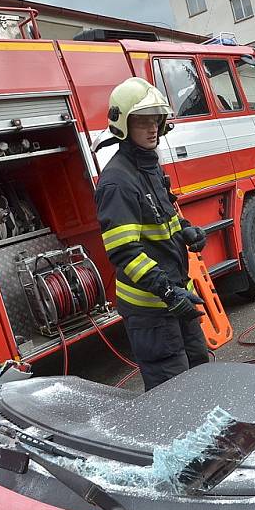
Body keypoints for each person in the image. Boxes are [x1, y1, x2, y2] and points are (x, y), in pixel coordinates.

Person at [95, 77, 209, 391]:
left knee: (200, 369)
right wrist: (168, 293)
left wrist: (186, 231)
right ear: (123, 125)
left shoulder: (150, 167)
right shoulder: (117, 182)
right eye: (142, 121)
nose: (152, 128)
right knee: (172, 391)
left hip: (174, 296)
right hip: (151, 309)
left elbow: (164, 216)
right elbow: (123, 252)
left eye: (155, 120)